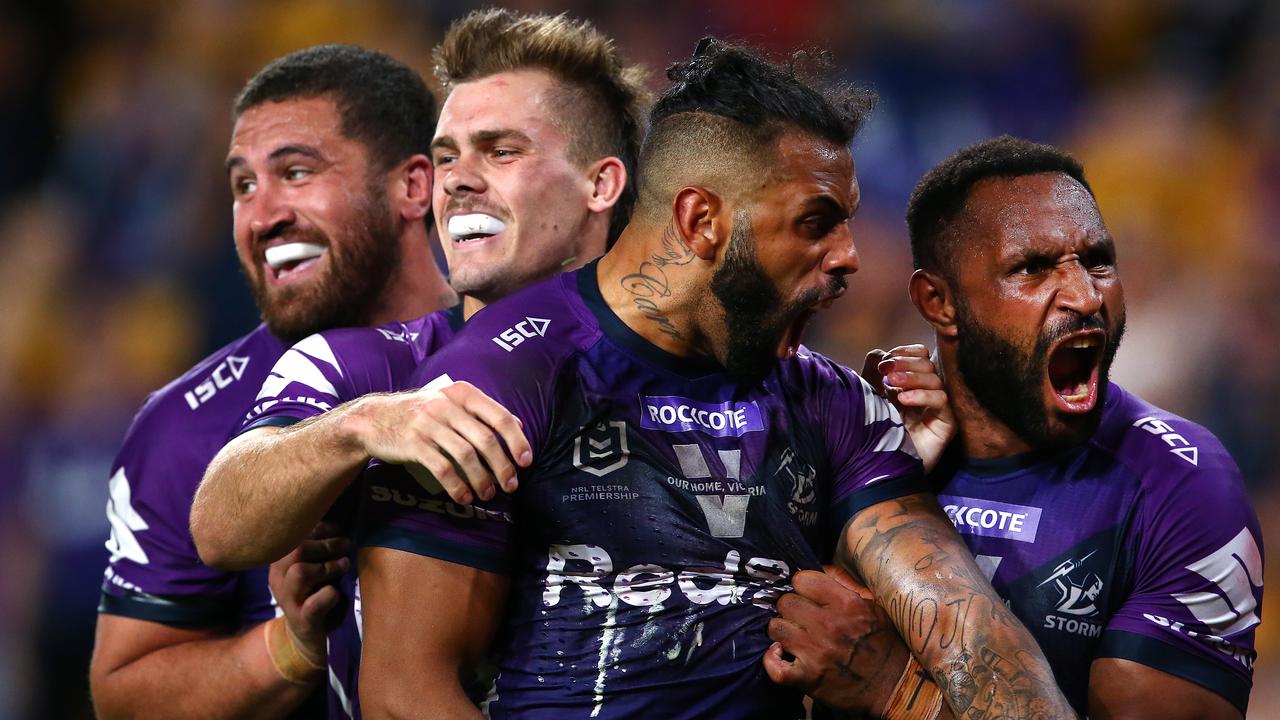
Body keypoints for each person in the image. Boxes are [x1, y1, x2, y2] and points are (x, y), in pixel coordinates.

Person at [355, 41, 1076, 720]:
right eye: (815, 222)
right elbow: (403, 692)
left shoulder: (835, 403)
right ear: (702, 221)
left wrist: (901, 696)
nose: (850, 256)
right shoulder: (504, 376)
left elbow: (975, 636)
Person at [188, 8, 650, 716]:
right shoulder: (362, 369)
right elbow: (220, 526)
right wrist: (362, 428)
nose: (456, 182)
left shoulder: (703, 384)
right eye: (445, 157)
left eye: (500, 151)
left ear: (601, 185)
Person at [766, 136, 1262, 719]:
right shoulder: (853, 444)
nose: (1085, 296)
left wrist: (895, 691)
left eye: (1098, 261)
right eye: (1032, 267)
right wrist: (878, 480)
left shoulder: (1181, 485)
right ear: (938, 302)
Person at [90, 45, 455, 719]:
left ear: (413, 187)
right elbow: (124, 695)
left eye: (295, 172)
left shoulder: (533, 347)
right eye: (243, 187)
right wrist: (291, 646)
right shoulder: (184, 426)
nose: (261, 218)